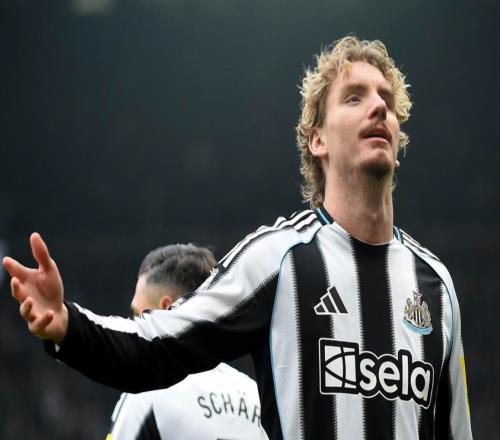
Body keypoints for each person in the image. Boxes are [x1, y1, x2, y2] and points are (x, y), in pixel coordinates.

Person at [3, 35, 472, 440]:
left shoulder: (436, 286)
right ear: (318, 140)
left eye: (386, 99)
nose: (379, 106)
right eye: (354, 98)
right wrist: (67, 324)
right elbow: (157, 345)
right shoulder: (278, 260)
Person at [106, 244, 263, 440]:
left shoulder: (147, 391)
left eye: (139, 315)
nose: (134, 325)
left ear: (166, 308)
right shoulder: (257, 396)